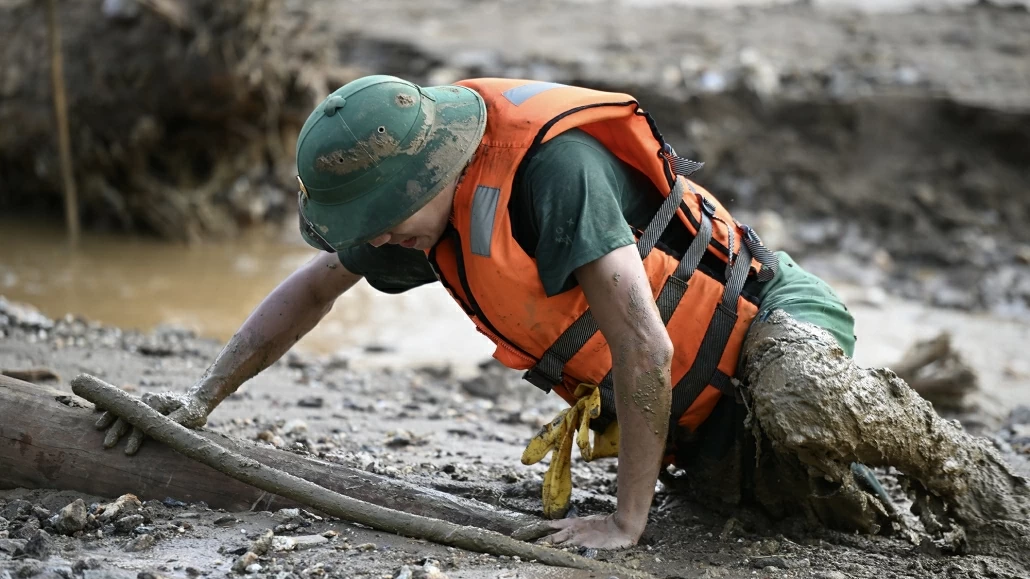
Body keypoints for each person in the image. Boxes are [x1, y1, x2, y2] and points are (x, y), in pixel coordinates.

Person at [96, 76, 869, 550]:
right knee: (826, 516)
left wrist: (627, 525)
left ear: (442, 165)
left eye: (389, 213)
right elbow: (313, 288)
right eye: (367, 222)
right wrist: (198, 400)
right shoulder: (413, 212)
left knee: (812, 420)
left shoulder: (550, 174)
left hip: (779, 324)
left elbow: (645, 349)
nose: (382, 236)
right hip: (698, 418)